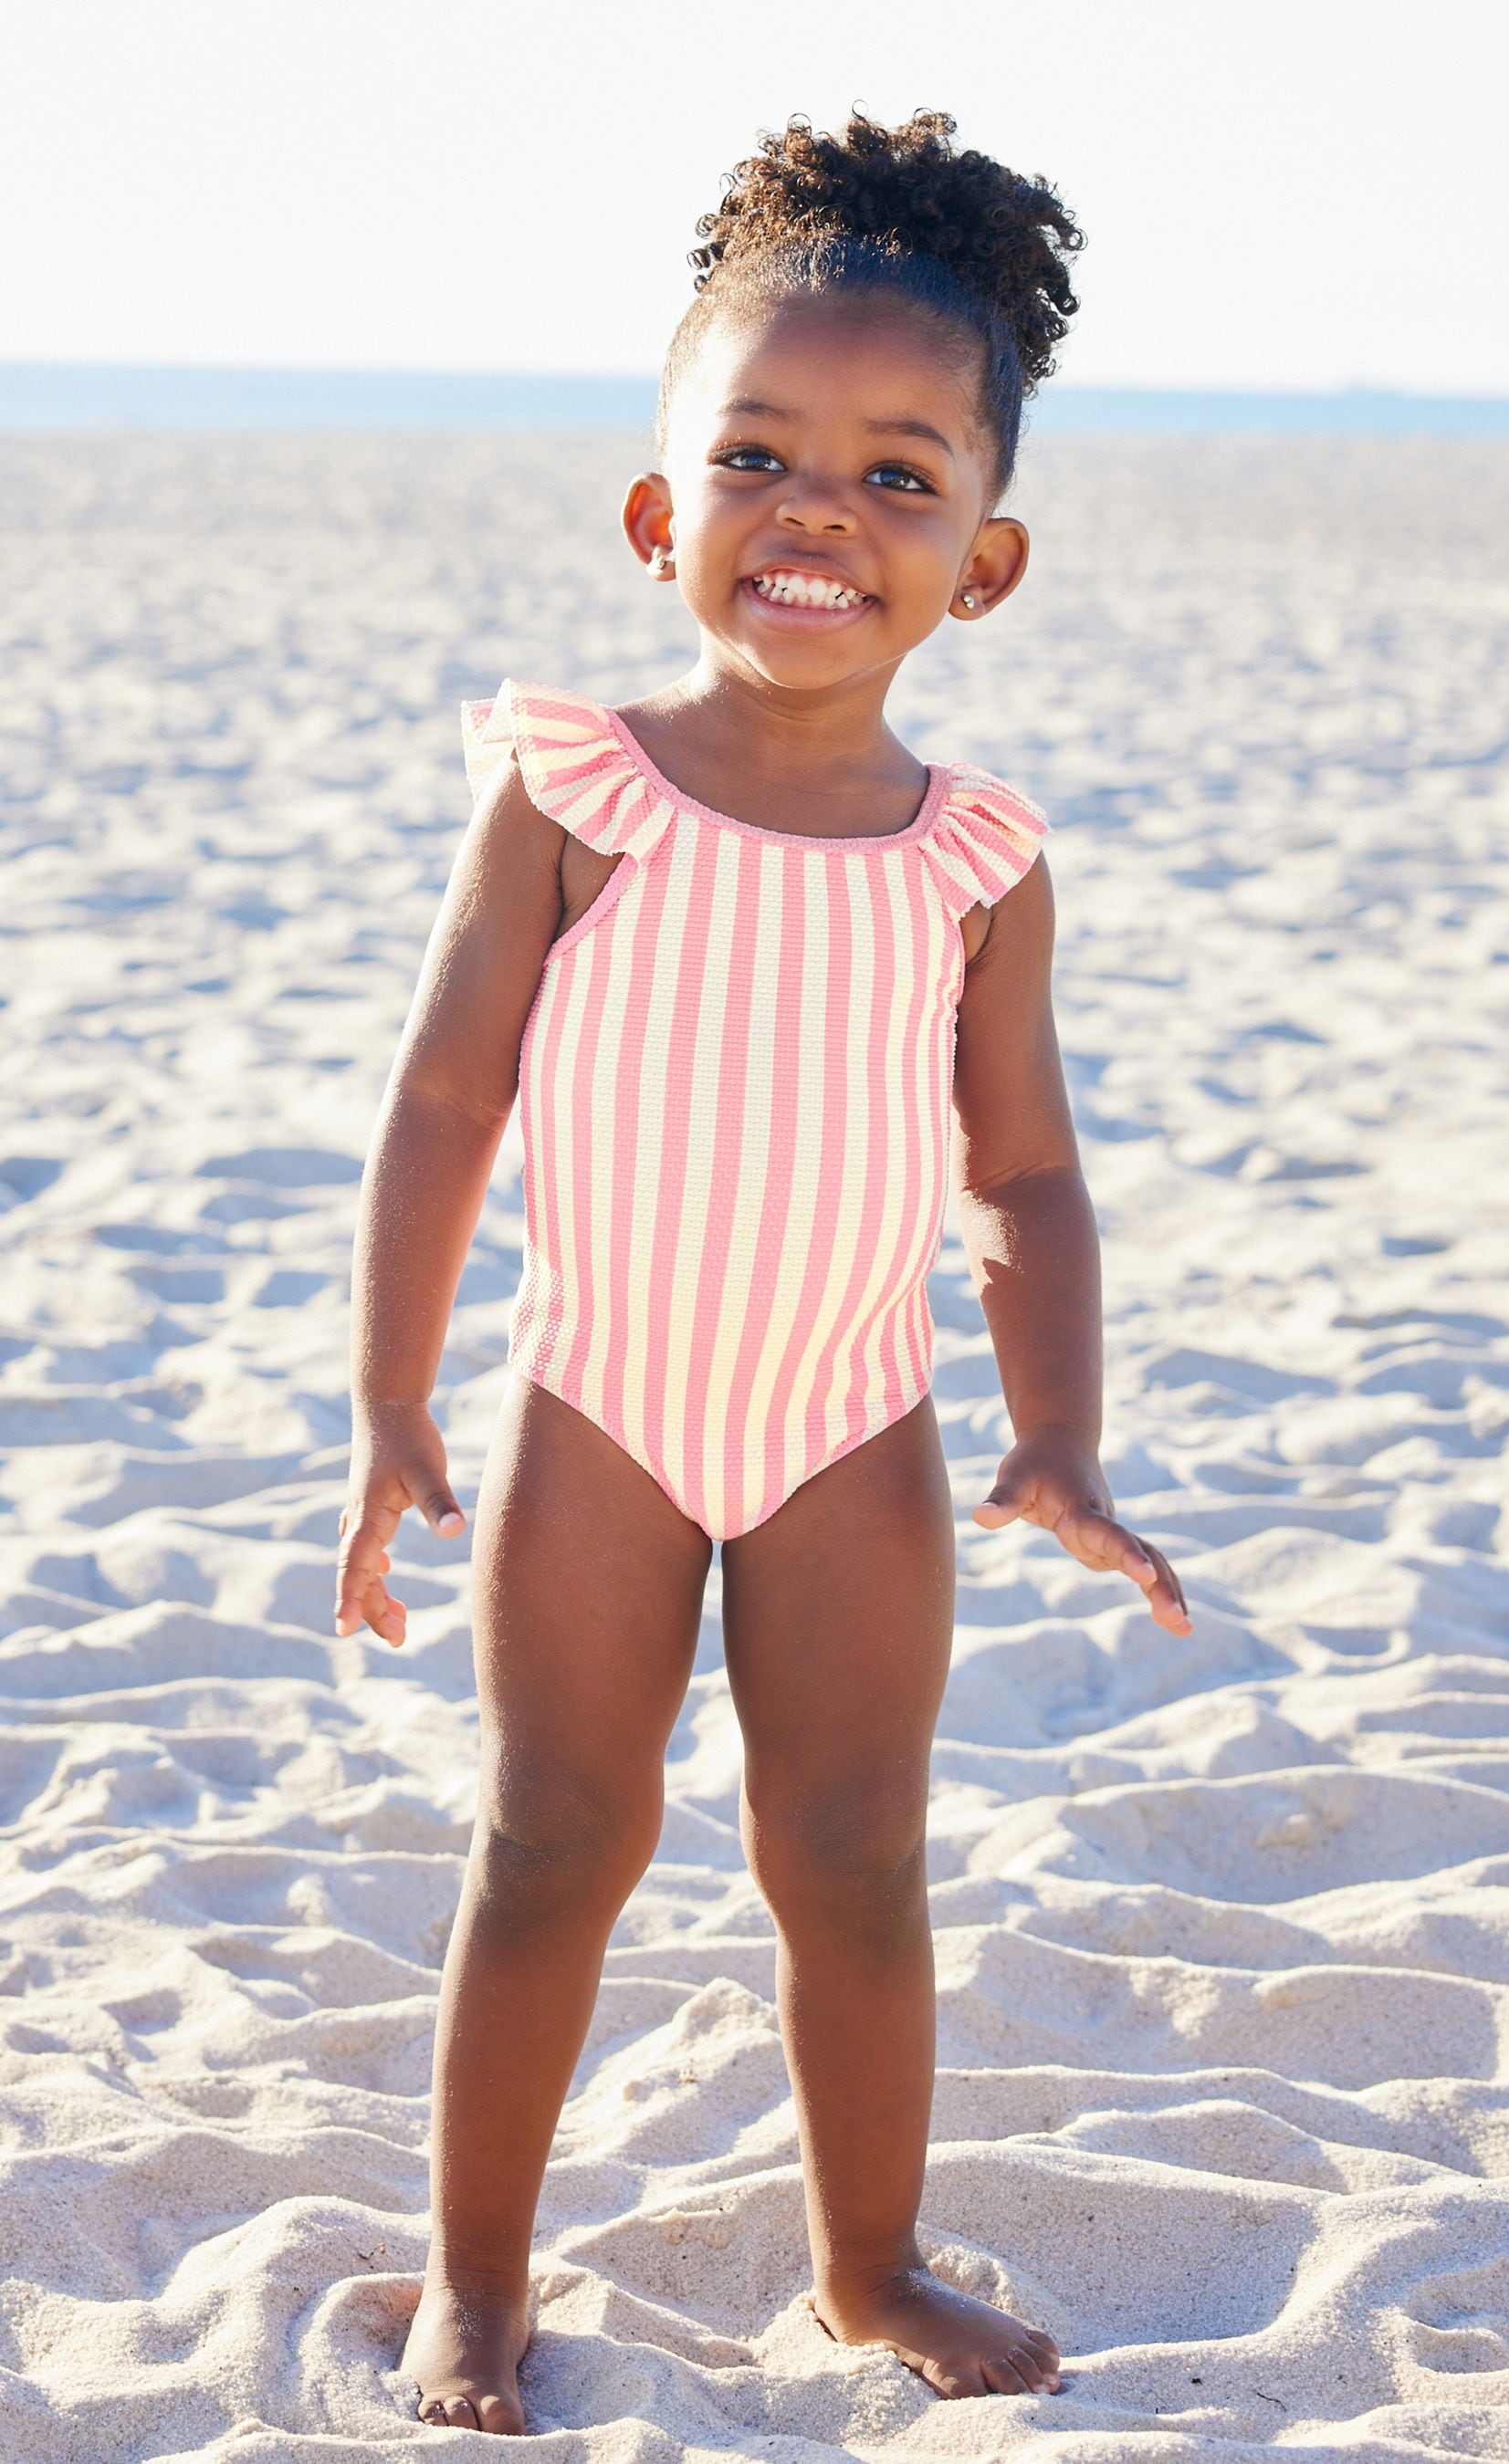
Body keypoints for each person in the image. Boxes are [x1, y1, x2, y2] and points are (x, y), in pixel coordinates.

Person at [335, 106, 1191, 2437]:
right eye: (760, 455)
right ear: (660, 514)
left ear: (982, 567)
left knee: (853, 1864)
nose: (823, 509)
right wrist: (391, 1398)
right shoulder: (577, 788)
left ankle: (870, 2260)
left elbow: (1025, 1166)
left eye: (902, 477)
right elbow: (443, 1102)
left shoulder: (974, 862)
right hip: (598, 1412)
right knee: (554, 1847)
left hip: (853, 1431)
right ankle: (477, 2287)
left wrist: (1058, 1430)